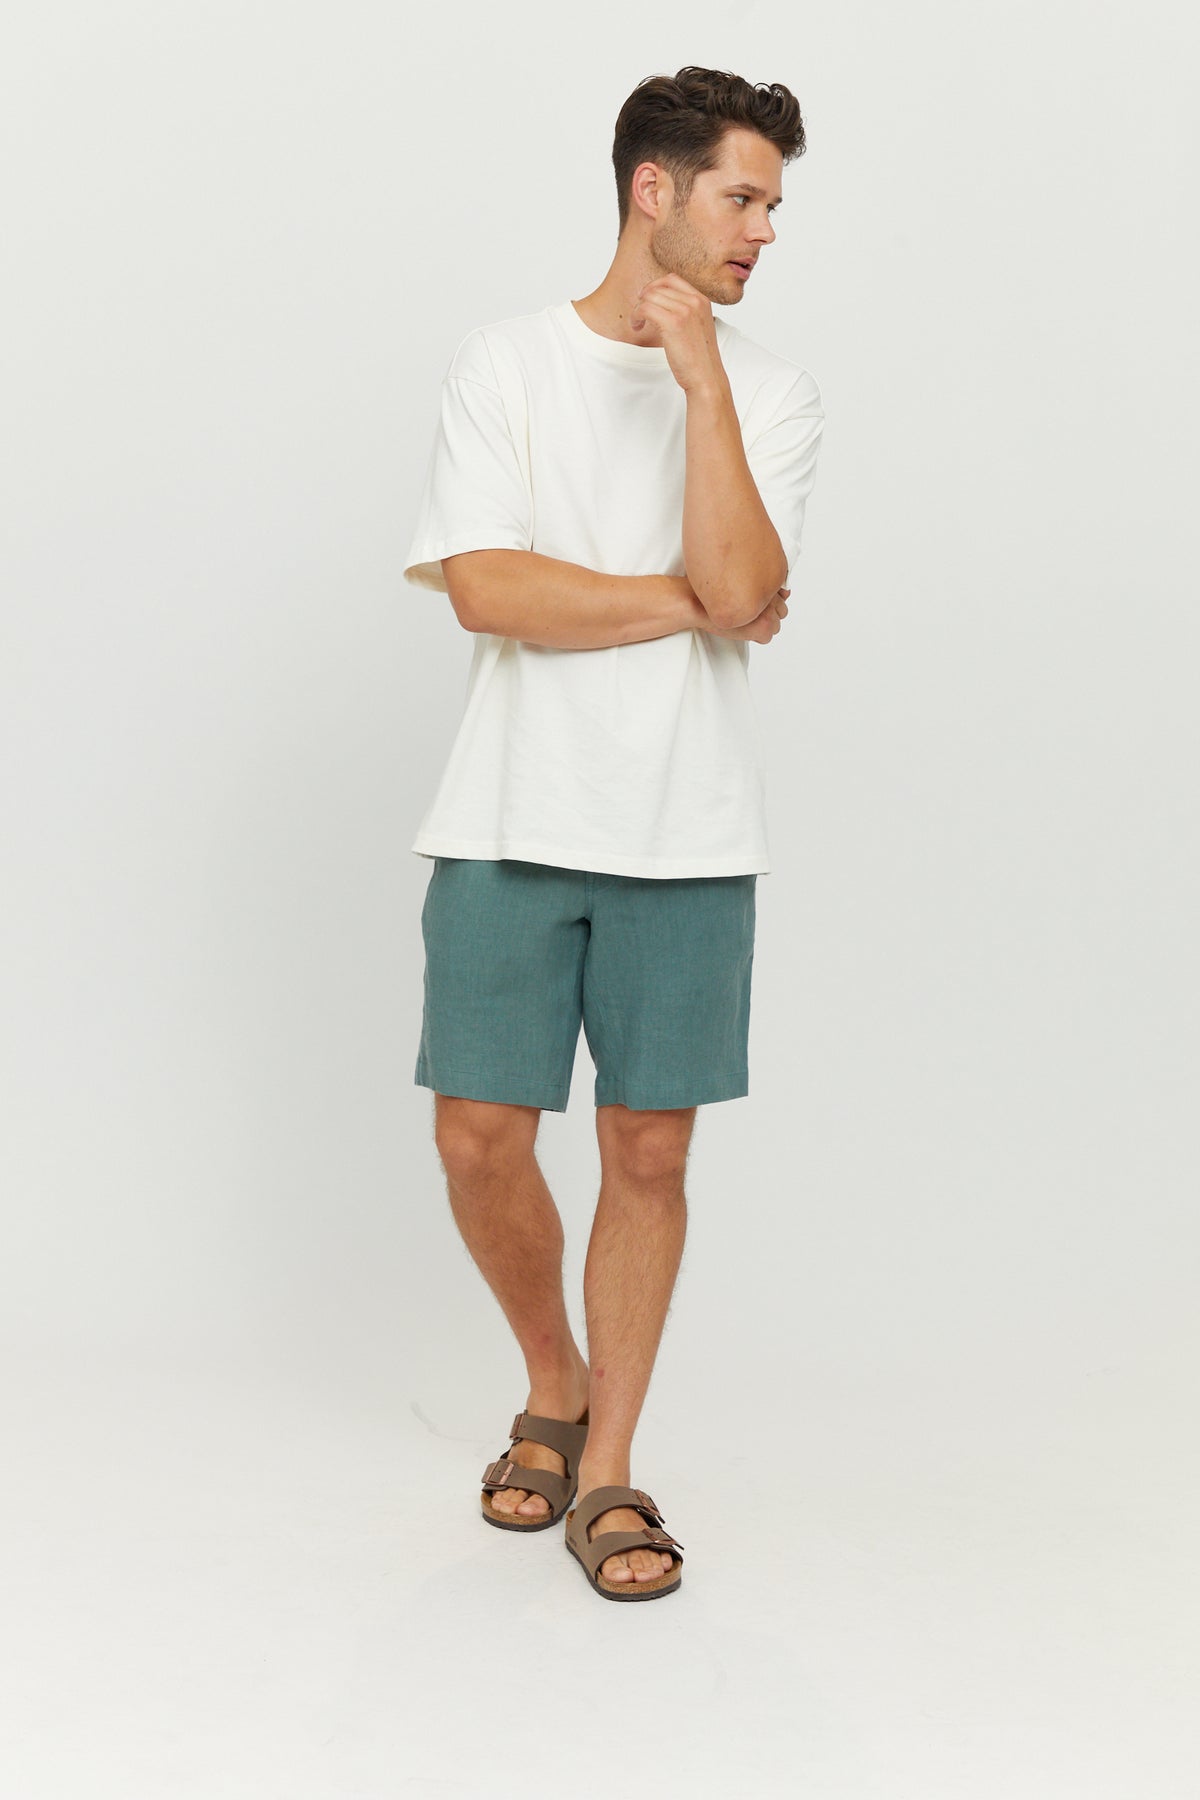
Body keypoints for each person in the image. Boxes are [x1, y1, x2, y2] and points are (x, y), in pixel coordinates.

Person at [402, 65, 825, 1602]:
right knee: (478, 1137)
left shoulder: (771, 394)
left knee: (650, 1149)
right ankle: (555, 1378)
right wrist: (694, 602)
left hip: (688, 831)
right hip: (508, 811)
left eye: (772, 204)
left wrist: (703, 384)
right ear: (655, 189)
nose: (765, 229)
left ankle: (612, 1469)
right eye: (742, 196)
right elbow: (487, 588)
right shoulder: (506, 362)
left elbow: (746, 576)